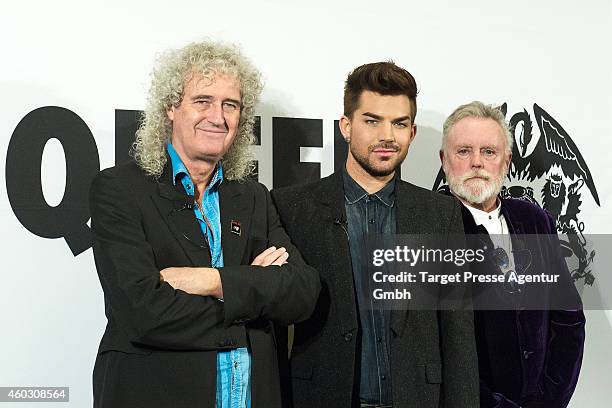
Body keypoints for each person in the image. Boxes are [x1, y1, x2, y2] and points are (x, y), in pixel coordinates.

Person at [90, 40, 320, 408]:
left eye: (230, 105)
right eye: (203, 101)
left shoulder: (253, 196)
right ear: (170, 107)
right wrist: (253, 295)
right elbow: (143, 312)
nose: (218, 116)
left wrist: (210, 281)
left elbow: (301, 291)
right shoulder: (119, 190)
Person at [271, 62, 479, 408]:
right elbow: (275, 325)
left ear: (412, 133)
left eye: (399, 123)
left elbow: (458, 336)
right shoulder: (292, 207)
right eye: (372, 121)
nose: (387, 136)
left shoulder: (439, 214)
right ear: (346, 127)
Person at [439, 101, 585, 408]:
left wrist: (548, 400)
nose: (476, 162)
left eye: (488, 152)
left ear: (506, 162)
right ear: (444, 160)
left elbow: (568, 320)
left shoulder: (536, 220)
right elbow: (432, 350)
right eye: (464, 151)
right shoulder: (429, 228)